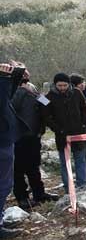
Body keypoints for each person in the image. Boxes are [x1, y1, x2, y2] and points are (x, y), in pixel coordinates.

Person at [11, 66, 50, 209]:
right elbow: (12, 107)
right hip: (19, 136)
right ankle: (22, 197)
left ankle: (39, 193)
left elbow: (45, 103)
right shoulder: (12, 90)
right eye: (24, 71)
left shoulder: (32, 88)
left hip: (34, 134)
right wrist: (22, 90)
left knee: (34, 166)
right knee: (18, 169)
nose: (27, 73)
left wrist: (43, 95)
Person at [43, 72, 86, 188]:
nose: (62, 88)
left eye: (65, 85)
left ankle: (82, 185)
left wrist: (84, 124)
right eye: (60, 86)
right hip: (62, 135)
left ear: (69, 84)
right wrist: (57, 129)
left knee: (81, 160)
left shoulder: (77, 93)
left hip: (78, 133)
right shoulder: (48, 97)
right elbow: (45, 115)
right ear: (55, 85)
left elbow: (84, 107)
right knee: (65, 163)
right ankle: (68, 187)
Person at [1, 62, 24, 237]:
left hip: (6, 141)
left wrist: (17, 73)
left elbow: (7, 95)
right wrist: (4, 78)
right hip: (2, 143)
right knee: (3, 185)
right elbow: (2, 101)